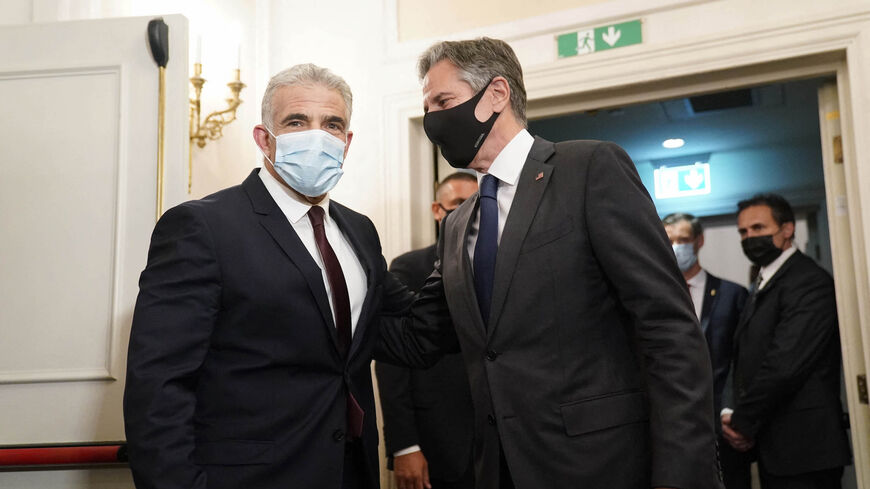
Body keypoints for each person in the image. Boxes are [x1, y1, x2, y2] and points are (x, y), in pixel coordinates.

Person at [377, 37, 721, 489]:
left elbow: (669, 329)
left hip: (603, 465)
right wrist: (343, 260)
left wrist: (683, 473)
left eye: (444, 101)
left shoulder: (590, 169)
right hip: (499, 469)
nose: (434, 122)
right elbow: (420, 338)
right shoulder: (459, 223)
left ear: (496, 94)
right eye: (428, 109)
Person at [124, 64, 412, 489]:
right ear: (264, 138)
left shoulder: (359, 230)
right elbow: (159, 387)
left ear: (346, 142)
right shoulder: (202, 227)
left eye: (332, 124)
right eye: (297, 122)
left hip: (350, 472)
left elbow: (407, 330)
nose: (317, 135)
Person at [722, 193, 851, 489]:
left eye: (758, 228)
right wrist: (730, 410)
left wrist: (743, 421)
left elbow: (785, 363)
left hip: (805, 448)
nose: (749, 238)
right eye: (743, 231)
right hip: (776, 447)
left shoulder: (808, 281)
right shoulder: (763, 280)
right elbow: (743, 356)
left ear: (787, 229)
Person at [376, 172, 478, 489]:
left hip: (505, 443)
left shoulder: (508, 263)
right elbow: (393, 361)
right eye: (458, 204)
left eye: (476, 204)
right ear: (438, 210)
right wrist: (405, 444)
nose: (470, 214)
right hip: (439, 442)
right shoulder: (409, 268)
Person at [663, 212, 750, 489]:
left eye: (684, 239)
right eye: (670, 240)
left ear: (699, 241)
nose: (677, 246)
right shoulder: (655, 298)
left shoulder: (732, 294)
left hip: (724, 423)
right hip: (676, 427)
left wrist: (733, 408)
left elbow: (743, 358)